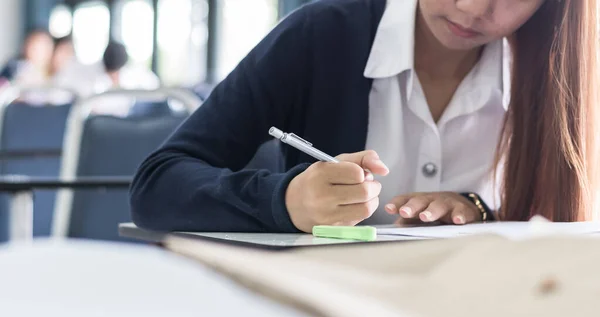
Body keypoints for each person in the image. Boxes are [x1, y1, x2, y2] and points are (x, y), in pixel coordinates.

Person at [129, 0, 599, 233]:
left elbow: (566, 232)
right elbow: (158, 183)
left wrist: (481, 214)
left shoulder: (564, 80)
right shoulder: (320, 37)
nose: (473, 7)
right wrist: (285, 201)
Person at [90, 41, 160, 116]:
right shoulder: (98, 83)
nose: (114, 77)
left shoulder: (135, 77)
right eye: (112, 74)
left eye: (115, 73)